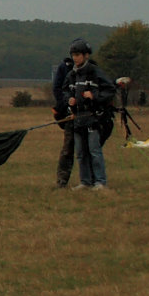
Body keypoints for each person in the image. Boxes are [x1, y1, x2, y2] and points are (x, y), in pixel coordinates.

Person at [53, 40, 118, 191]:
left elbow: (110, 90)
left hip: (93, 118)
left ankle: (100, 181)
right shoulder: (71, 74)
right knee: (81, 153)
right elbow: (64, 90)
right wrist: (69, 99)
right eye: (73, 55)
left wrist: (94, 96)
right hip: (77, 119)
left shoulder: (95, 72)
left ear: (86, 55)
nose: (75, 58)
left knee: (94, 151)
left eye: (78, 55)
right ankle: (85, 181)